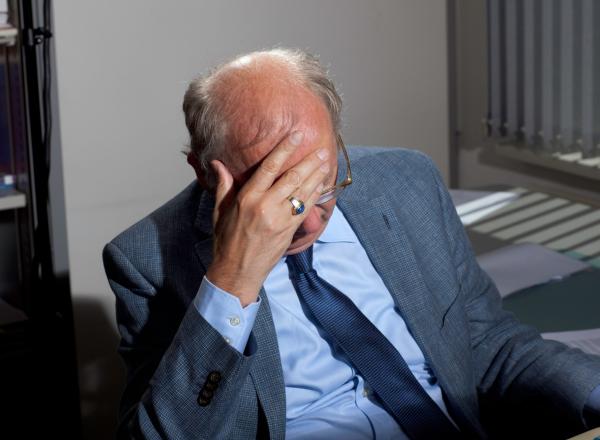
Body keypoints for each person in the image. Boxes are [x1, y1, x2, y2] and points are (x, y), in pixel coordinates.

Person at [103, 48, 600, 439]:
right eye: (275, 190)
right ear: (206, 174)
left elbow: (490, 343)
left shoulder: (407, 182)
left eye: (322, 177)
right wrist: (234, 278)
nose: (308, 218)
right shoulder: (146, 259)